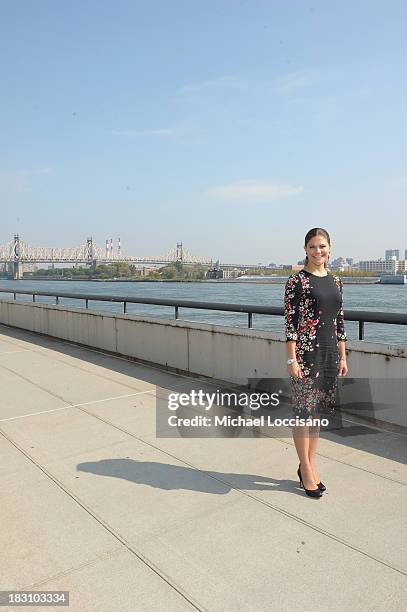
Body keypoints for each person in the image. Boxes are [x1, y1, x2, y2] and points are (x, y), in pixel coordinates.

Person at [284, 228, 348, 498]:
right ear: (305, 249)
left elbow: (339, 320)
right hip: (306, 355)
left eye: (322, 246)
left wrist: (343, 355)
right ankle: (307, 472)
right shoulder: (297, 281)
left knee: (318, 413)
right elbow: (290, 324)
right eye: (312, 246)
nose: (318, 251)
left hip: (330, 354)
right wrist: (292, 358)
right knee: (303, 413)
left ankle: (308, 465)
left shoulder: (336, 281)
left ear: (330, 248)